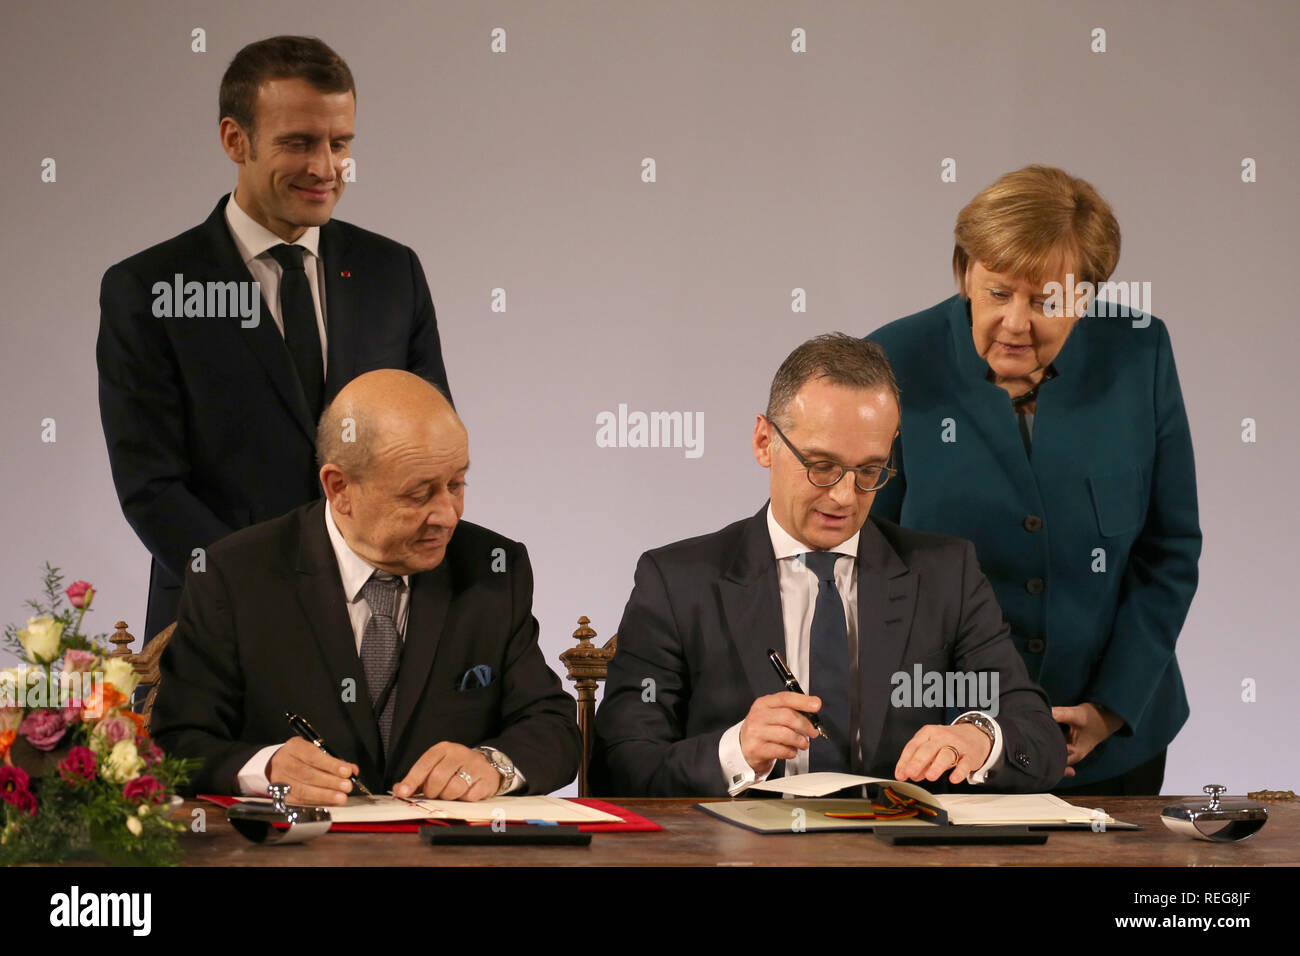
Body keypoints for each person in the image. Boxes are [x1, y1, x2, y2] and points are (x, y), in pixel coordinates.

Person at [593, 334, 1066, 797]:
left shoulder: (947, 573)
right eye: (821, 465)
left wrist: (980, 738)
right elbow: (621, 764)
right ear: (764, 441)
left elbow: (1038, 740)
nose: (844, 497)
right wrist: (734, 752)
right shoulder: (677, 580)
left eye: (868, 471)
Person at [97, 36, 451, 646]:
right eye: (299, 143)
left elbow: (430, 447)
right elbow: (151, 486)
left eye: (339, 144)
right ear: (235, 139)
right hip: (218, 628)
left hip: (383, 624)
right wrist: (267, 592)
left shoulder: (394, 271)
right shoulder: (149, 286)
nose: (325, 167)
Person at [866, 165, 1201, 795]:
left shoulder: (1141, 352)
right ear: (965, 271)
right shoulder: (889, 361)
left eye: (1048, 301)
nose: (1017, 323)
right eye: (997, 293)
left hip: (1110, 741)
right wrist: (960, 725)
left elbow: (1169, 551)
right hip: (943, 742)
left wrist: (1113, 706)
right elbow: (863, 566)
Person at [151, 370, 579, 802]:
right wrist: (266, 768)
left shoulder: (492, 570)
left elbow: (551, 726)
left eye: (456, 484)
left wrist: (493, 765)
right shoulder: (236, 574)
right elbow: (178, 742)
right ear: (340, 489)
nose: (448, 515)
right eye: (419, 494)